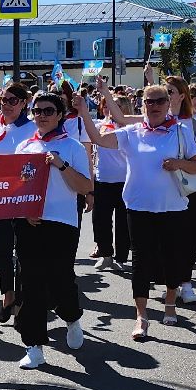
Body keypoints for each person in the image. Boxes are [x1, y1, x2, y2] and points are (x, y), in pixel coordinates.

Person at [81, 83, 196, 340]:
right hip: (138, 207)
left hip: (173, 206)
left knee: (172, 257)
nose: (155, 106)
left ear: (168, 103)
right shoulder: (132, 132)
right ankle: (141, 315)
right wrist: (83, 111)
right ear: (143, 105)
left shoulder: (180, 131)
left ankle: (170, 304)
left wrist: (178, 163)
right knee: (141, 261)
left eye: (160, 101)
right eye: (150, 101)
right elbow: (99, 140)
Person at [11, 91, 94, 368]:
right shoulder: (24, 146)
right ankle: (34, 346)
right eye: (37, 111)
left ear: (60, 115)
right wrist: (25, 210)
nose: (42, 116)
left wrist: (61, 164)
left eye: (48, 111)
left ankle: (71, 317)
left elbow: (85, 186)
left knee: (60, 280)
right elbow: (17, 186)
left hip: (62, 223)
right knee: (30, 284)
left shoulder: (72, 147)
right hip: (29, 222)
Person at [0, 84, 33, 321]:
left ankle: (21, 299)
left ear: (23, 103)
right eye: (4, 100)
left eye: (13, 100)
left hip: (24, 199)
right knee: (1, 250)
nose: (7, 105)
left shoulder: (33, 129)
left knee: (23, 251)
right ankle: (7, 294)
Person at [164, 75, 196, 304]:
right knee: (167, 240)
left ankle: (186, 283)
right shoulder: (154, 120)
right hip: (164, 187)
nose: (166, 96)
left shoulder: (194, 124)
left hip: (190, 188)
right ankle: (170, 285)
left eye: (170, 92)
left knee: (187, 238)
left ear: (182, 96)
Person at [89, 91, 131, 272]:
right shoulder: (99, 125)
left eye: (114, 106)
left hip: (124, 180)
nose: (108, 108)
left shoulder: (130, 128)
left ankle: (121, 257)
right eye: (105, 105)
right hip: (102, 179)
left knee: (123, 222)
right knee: (101, 220)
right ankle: (106, 254)